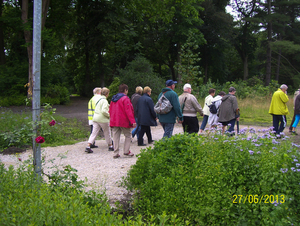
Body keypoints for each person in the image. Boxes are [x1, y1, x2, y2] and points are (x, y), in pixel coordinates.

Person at [109, 84, 136, 158]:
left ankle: (115, 152)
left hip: (114, 120)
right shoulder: (125, 98)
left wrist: (111, 120)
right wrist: (132, 121)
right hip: (123, 120)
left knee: (115, 137)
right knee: (128, 135)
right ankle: (126, 151)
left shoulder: (113, 98)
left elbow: (110, 110)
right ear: (125, 90)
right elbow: (128, 110)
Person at [85, 88, 113, 153]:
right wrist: (109, 115)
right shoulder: (104, 100)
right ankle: (110, 146)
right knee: (107, 132)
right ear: (106, 94)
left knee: (94, 133)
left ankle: (88, 146)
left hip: (95, 118)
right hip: (102, 119)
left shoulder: (99, 100)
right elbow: (104, 110)